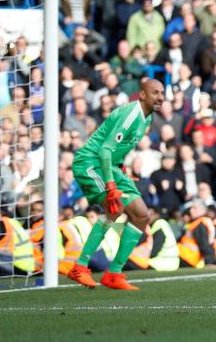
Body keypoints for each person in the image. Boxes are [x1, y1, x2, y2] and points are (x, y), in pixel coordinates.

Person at [66, 79, 165, 291]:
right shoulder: (131, 115)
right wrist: (111, 184)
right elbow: (104, 150)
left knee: (142, 215)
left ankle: (113, 273)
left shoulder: (148, 118)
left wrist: (121, 170)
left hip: (111, 166)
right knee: (115, 207)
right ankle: (80, 266)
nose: (161, 97)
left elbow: (118, 149)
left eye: (162, 93)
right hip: (90, 163)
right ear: (142, 95)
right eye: (155, 92)